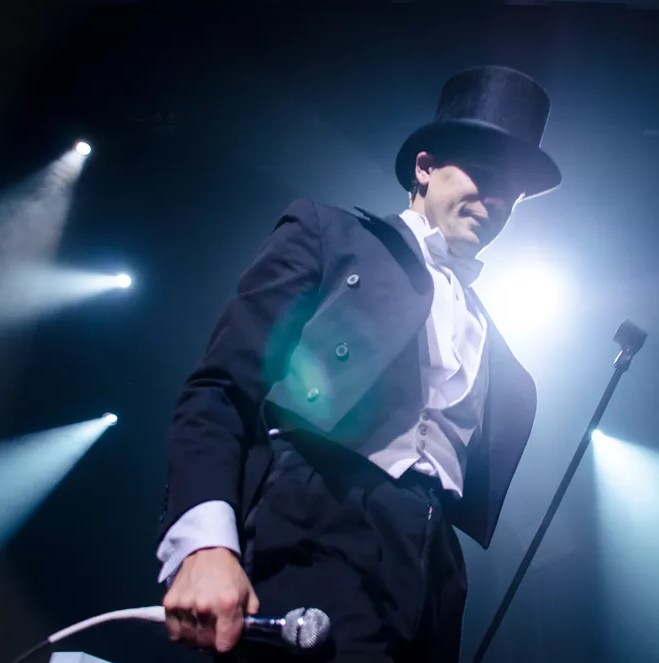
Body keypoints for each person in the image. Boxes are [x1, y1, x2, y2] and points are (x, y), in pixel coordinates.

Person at [157, 65, 562, 662]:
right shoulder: (331, 235)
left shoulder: (497, 345)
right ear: (424, 168)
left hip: (432, 569)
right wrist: (204, 545)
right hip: (317, 526)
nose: (498, 200)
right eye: (485, 173)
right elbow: (221, 387)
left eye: (514, 193)